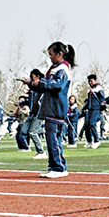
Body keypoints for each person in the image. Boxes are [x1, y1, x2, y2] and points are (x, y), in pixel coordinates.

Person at [34, 44, 74, 178]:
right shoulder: (55, 69)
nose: (50, 57)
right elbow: (46, 85)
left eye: (51, 54)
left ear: (59, 54)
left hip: (56, 108)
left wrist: (40, 83)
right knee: (52, 138)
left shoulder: (62, 69)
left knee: (53, 138)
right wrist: (32, 84)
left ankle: (59, 167)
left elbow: (57, 85)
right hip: (50, 107)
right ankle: (55, 165)